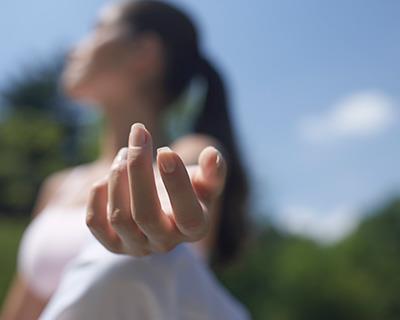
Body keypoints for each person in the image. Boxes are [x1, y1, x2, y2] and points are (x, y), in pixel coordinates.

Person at [1, 1, 249, 319]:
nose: (72, 51)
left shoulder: (190, 153)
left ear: (144, 53)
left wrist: (167, 220)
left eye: (97, 29)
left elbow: (177, 194)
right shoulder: (57, 186)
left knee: (140, 262)